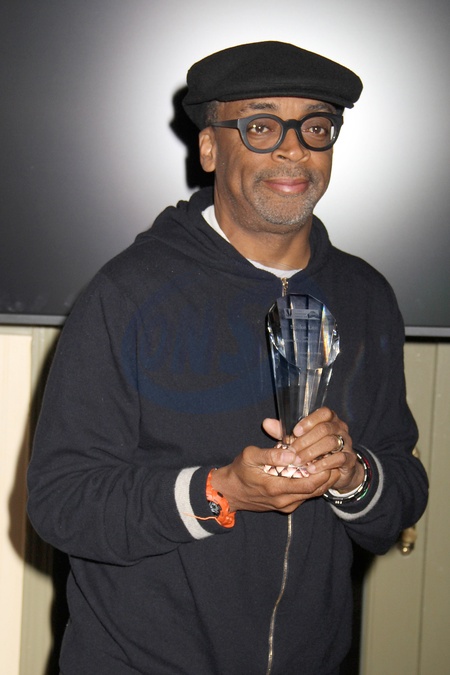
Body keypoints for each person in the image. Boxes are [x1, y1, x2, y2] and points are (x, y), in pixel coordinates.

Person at [27, 41, 428, 675]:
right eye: (261, 126)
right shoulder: (128, 294)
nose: (294, 150)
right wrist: (222, 492)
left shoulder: (367, 297)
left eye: (316, 127)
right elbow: (62, 503)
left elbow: (401, 490)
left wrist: (353, 475)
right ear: (210, 147)